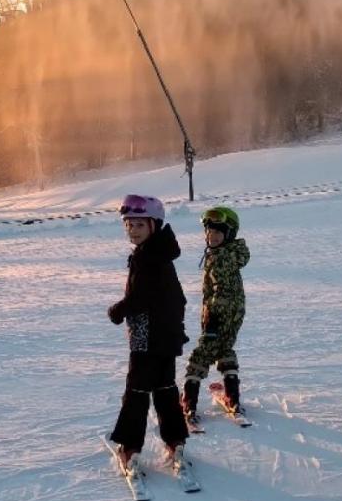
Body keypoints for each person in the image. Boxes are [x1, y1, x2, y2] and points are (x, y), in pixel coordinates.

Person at [107, 194, 189, 477]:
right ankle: (175, 439)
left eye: (139, 225)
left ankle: (130, 446)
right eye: (129, 225)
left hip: (147, 338)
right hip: (166, 337)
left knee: (138, 391)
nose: (133, 230)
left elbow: (140, 298)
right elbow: (178, 298)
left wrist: (118, 310)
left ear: (154, 225)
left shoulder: (147, 258)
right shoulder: (161, 252)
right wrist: (175, 330)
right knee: (165, 388)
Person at [181, 206, 250, 423]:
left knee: (201, 355)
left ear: (229, 235)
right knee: (225, 349)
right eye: (209, 231)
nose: (212, 236)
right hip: (234, 314)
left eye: (218, 232)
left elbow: (221, 290)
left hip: (218, 316)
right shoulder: (228, 254)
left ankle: (188, 402)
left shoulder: (220, 258)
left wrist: (212, 320)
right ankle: (233, 397)